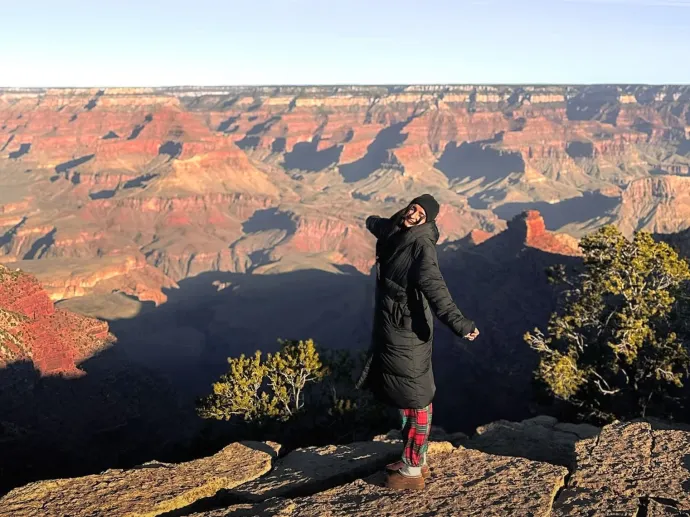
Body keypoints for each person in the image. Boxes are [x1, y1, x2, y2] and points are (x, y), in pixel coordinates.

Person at [357, 194, 479, 491]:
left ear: (429, 220)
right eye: (413, 207)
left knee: (415, 398)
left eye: (421, 213)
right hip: (392, 326)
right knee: (404, 395)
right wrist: (369, 219)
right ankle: (414, 456)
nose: (414, 213)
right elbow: (381, 226)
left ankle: (412, 470)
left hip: (408, 328)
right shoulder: (398, 230)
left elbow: (435, 288)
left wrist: (461, 325)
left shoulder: (421, 245)